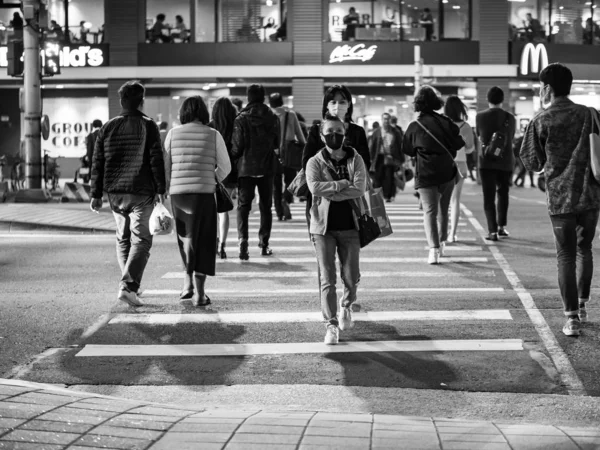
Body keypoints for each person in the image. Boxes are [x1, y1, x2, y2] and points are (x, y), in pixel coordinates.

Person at [520, 63, 600, 337]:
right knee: (584, 250)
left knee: (565, 255)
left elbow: (531, 162)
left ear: (547, 88)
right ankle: (583, 304)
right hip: (590, 195)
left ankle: (572, 319)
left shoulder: (542, 120)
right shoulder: (591, 114)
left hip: (559, 200)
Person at [90, 80, 166, 307]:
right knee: (142, 240)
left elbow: (98, 162)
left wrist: (95, 194)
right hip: (141, 191)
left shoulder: (108, 127)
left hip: (115, 193)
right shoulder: (148, 125)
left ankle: (130, 284)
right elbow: (156, 160)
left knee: (123, 239)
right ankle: (128, 285)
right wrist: (161, 189)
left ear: (122, 101)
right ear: (141, 101)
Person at [306, 114, 367, 345]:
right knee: (327, 277)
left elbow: (359, 189)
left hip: (351, 226)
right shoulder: (314, 161)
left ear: (344, 134)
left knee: (351, 275)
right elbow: (314, 187)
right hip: (322, 228)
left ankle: (347, 304)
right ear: (322, 136)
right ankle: (330, 324)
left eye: (338, 132)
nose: (334, 136)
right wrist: (342, 184)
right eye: (329, 132)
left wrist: (330, 190)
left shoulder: (355, 158)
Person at [164, 96, 231, 306]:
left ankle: (187, 283)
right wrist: (212, 179)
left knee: (186, 238)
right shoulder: (213, 135)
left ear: (183, 113)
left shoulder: (172, 134)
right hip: (204, 194)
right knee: (205, 240)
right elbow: (226, 167)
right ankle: (200, 294)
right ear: (203, 112)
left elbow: (165, 167)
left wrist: (166, 189)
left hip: (179, 195)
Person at [403, 86, 465, 264]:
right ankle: (442, 242)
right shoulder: (446, 122)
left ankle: (433, 250)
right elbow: (459, 142)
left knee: (430, 211)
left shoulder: (415, 126)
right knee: (443, 210)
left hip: (426, 174)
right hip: (447, 172)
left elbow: (407, 149)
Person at [302, 85, 370, 229]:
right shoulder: (316, 130)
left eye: (342, 101)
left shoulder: (357, 131)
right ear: (326, 105)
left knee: (350, 239)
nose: (337, 105)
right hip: (321, 196)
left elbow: (365, 162)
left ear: (349, 104)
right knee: (321, 237)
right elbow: (307, 160)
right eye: (333, 102)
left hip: (351, 197)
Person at [231, 84, 280, 260]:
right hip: (267, 167)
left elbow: (237, 147)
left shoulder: (240, 118)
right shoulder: (273, 117)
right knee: (266, 207)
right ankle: (264, 244)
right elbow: (276, 144)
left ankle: (243, 242)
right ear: (263, 97)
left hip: (246, 168)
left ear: (248, 97)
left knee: (243, 207)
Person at [476, 86, 517, 241]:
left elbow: (479, 135)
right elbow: (511, 137)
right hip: (505, 161)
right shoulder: (510, 118)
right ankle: (501, 227)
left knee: (488, 197)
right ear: (502, 99)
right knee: (503, 194)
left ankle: (492, 231)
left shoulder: (480, 116)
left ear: (488, 99)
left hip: (486, 161)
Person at [269, 92, 307, 221]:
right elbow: (300, 135)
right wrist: (304, 148)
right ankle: (286, 198)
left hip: (272, 154)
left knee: (276, 184)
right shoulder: (291, 115)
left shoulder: (268, 115)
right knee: (290, 181)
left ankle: (279, 213)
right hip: (289, 152)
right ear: (282, 102)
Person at [209, 97, 238, 259]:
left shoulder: (210, 128)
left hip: (212, 172)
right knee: (223, 210)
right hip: (230, 171)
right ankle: (223, 245)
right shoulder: (236, 126)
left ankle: (214, 241)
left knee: (212, 209)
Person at [444, 96, 475, 242]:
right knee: (455, 200)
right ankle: (452, 234)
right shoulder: (466, 127)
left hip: (443, 164)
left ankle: (441, 232)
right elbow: (470, 149)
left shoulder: (441, 124)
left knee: (442, 200)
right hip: (460, 164)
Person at [369, 112, 404, 202]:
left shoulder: (395, 132)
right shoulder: (377, 132)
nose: (386, 121)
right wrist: (370, 158)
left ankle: (387, 196)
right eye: (384, 119)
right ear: (382, 120)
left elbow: (400, 146)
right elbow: (372, 146)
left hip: (390, 158)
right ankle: (377, 196)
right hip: (379, 157)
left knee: (389, 177)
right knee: (377, 177)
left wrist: (401, 160)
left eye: (388, 119)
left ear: (390, 120)